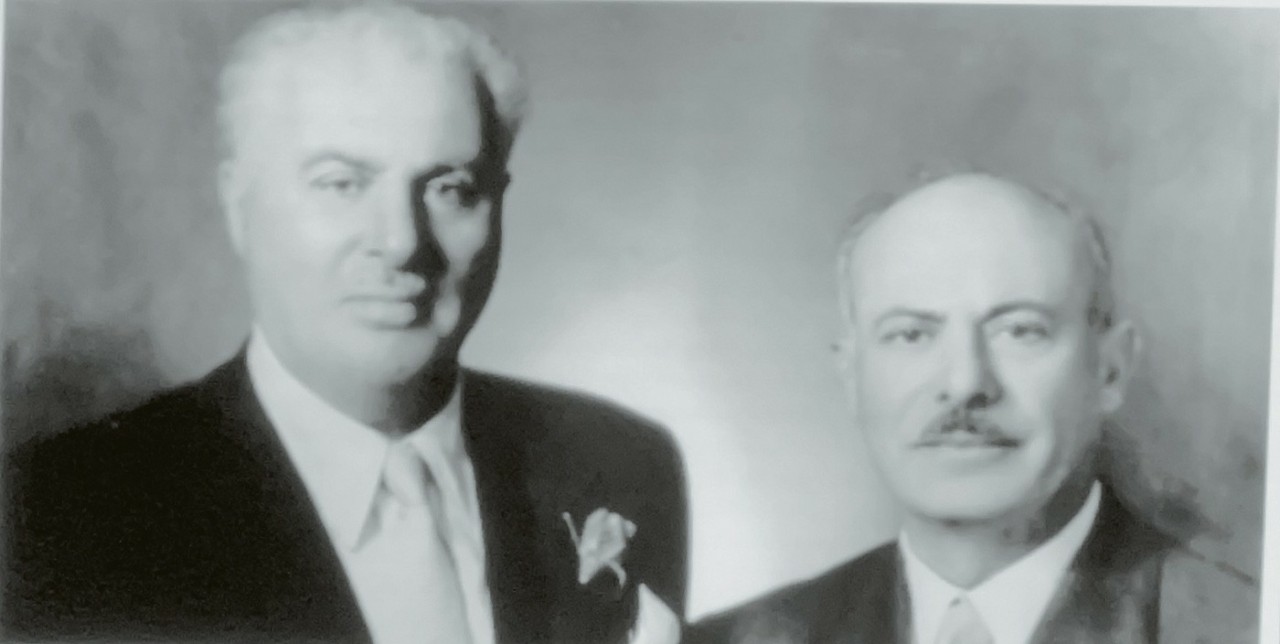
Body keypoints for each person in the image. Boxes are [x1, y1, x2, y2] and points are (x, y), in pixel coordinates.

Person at [3, 4, 685, 643]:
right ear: (239, 204)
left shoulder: (614, 462)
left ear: (498, 204)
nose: (401, 242)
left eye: (449, 189)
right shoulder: (59, 516)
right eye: (342, 183)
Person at [688, 173, 1258, 644]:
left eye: (1020, 330)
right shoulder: (738, 640)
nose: (964, 384)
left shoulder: (1241, 627)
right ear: (852, 378)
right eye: (911, 334)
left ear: (1110, 370)